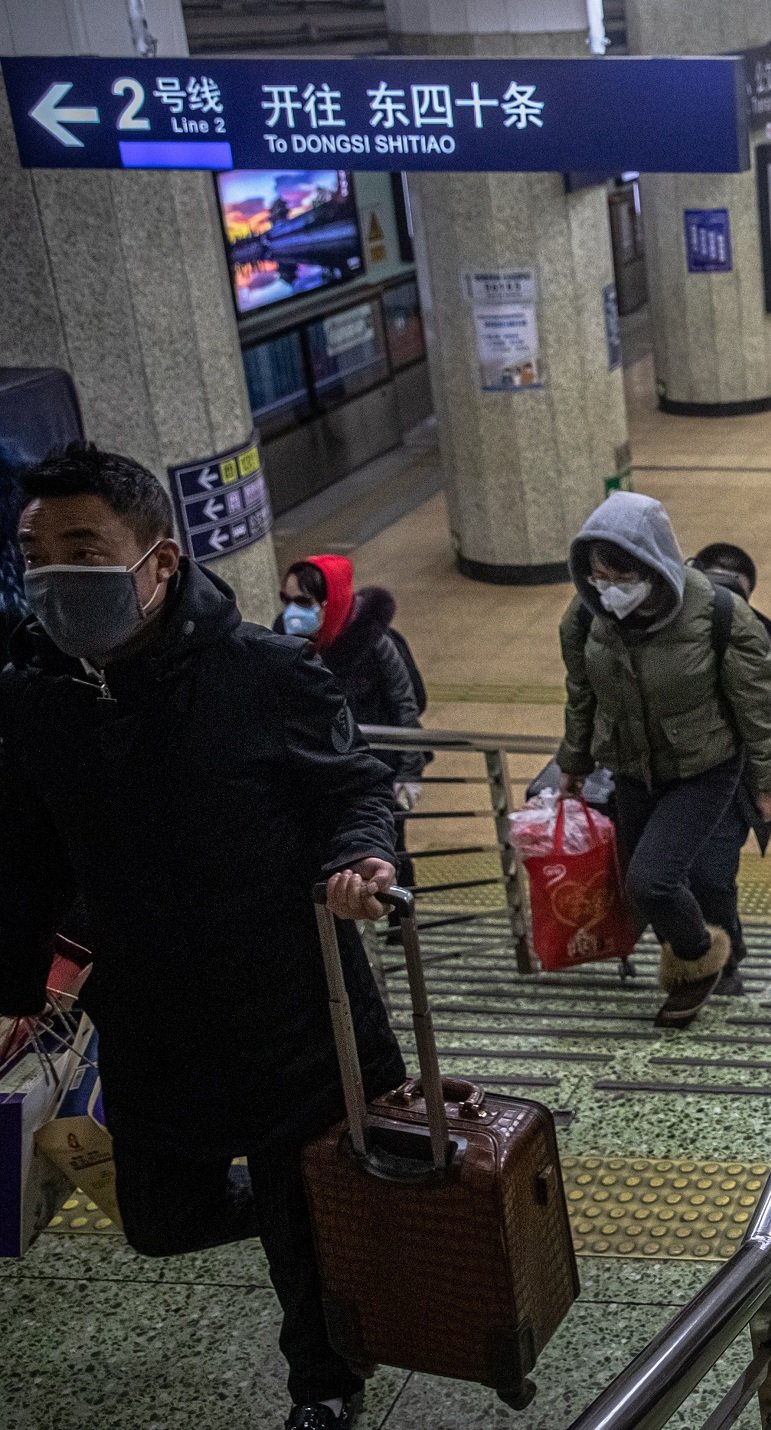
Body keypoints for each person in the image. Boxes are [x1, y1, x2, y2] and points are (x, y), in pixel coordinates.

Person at [1, 443, 404, 1430]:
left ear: (160, 562)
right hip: (146, 1014)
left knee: (300, 1232)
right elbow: (27, 848)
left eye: (84, 547)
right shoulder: (34, 692)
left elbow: (352, 786)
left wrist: (364, 860)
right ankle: (296, 1212)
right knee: (157, 1221)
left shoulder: (262, 671)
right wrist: (13, 983)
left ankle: (325, 1384)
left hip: (286, 1005)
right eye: (34, 551)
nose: (56, 575)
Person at [556, 492, 771, 1027]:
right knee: (642, 886)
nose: (609, 589)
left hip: (704, 769)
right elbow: (582, 691)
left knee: (654, 879)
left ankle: (705, 959)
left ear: (654, 566)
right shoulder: (587, 614)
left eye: (621, 576)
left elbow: (762, 705)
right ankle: (690, 974)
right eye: (599, 575)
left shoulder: (717, 613)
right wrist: (573, 761)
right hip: (632, 768)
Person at [686, 542, 771, 995]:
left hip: (730, 782)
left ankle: (723, 961)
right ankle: (697, 953)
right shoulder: (663, 628)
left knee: (710, 875)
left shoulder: (754, 640)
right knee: (664, 877)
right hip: (662, 775)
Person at [276, 554, 425, 799]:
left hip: (375, 770)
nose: (292, 612)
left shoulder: (375, 644)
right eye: (287, 600)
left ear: (330, 601)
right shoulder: (285, 641)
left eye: (303, 602)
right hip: (320, 775)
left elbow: (404, 704)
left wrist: (409, 773)